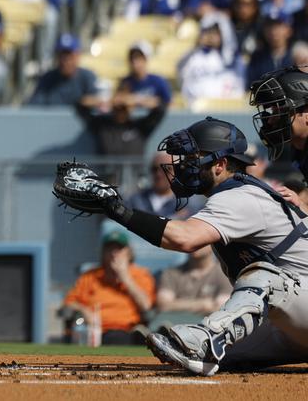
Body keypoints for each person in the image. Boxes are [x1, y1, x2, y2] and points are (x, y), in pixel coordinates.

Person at [69, 117, 308, 375]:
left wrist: (118, 210)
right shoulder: (238, 193)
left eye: (195, 157)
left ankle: (207, 338)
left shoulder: (239, 196)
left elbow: (184, 238)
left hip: (297, 302)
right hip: (292, 321)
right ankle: (209, 350)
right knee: (224, 358)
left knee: (265, 277)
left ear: (220, 165)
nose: (185, 165)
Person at [63, 230, 156, 345]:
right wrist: (83, 310)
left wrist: (125, 277)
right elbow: (69, 303)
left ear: (129, 253)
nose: (114, 253)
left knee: (119, 337)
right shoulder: (90, 276)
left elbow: (146, 305)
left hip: (126, 329)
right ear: (103, 252)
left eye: (119, 249)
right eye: (110, 248)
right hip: (94, 330)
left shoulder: (140, 274)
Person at [76, 88, 167, 156]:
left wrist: (134, 100)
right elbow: (80, 105)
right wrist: (108, 100)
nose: (121, 110)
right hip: (107, 179)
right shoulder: (101, 125)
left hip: (133, 178)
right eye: (117, 107)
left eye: (124, 107)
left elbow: (160, 108)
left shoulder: (140, 126)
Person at [27, 34, 101, 107]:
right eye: (61, 55)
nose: (65, 60)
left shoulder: (87, 77)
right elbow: (34, 107)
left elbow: (99, 102)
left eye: (69, 55)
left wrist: (87, 103)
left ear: (77, 56)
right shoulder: (47, 78)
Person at [157, 246, 231, 316]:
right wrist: (202, 304)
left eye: (202, 240)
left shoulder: (225, 273)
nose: (197, 244)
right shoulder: (171, 273)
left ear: (214, 244)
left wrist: (177, 304)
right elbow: (164, 305)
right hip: (175, 325)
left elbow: (222, 309)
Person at [126, 151, 196, 219]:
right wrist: (175, 218)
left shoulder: (187, 205)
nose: (158, 174)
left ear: (178, 172)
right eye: (155, 169)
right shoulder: (134, 201)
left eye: (166, 169)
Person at [246, 10, 295, 90]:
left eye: (278, 26)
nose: (273, 31)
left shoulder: (297, 56)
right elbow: (251, 86)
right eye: (269, 26)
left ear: (289, 30)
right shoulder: (257, 57)